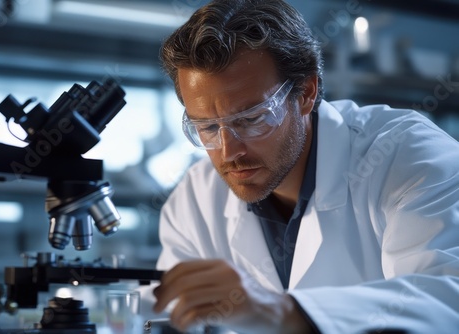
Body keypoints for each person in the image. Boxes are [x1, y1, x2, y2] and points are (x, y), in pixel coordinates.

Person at [148, 0, 459, 333]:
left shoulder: (407, 154)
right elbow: (165, 316)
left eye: (252, 119)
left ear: (306, 92)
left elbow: (445, 300)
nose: (229, 151)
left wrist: (281, 312)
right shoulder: (195, 199)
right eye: (207, 127)